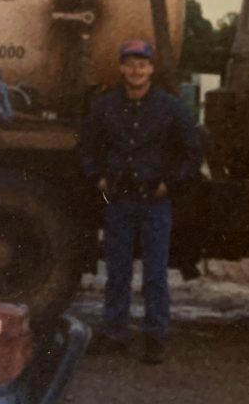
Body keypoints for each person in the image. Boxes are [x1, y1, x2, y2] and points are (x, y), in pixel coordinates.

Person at [78, 39, 202, 364]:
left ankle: (154, 337)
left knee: (155, 274)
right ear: (122, 67)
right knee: (117, 271)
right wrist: (98, 179)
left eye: (143, 64)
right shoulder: (105, 106)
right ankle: (115, 333)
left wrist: (169, 184)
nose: (136, 69)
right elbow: (87, 149)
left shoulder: (170, 107)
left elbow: (192, 152)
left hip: (154, 203)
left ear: (151, 69)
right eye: (130, 63)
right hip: (117, 200)